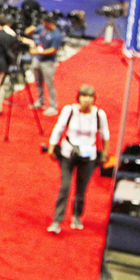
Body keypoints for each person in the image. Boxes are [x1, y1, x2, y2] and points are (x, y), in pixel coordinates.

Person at [46, 85, 110, 233]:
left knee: (81, 189)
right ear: (78, 98)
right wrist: (52, 146)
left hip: (88, 156)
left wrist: (105, 153)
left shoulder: (99, 115)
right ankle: (57, 220)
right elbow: (59, 128)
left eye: (90, 97)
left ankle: (76, 216)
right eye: (84, 96)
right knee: (65, 186)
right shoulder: (69, 111)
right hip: (68, 153)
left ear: (94, 100)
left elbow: (105, 134)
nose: (86, 100)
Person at [26, 14, 64, 115]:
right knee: (38, 82)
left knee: (49, 84)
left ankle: (53, 106)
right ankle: (40, 101)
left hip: (48, 61)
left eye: (45, 23)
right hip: (38, 59)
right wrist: (33, 26)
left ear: (49, 23)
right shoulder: (43, 29)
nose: (43, 24)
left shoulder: (57, 35)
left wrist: (37, 52)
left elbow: (53, 50)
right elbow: (28, 31)